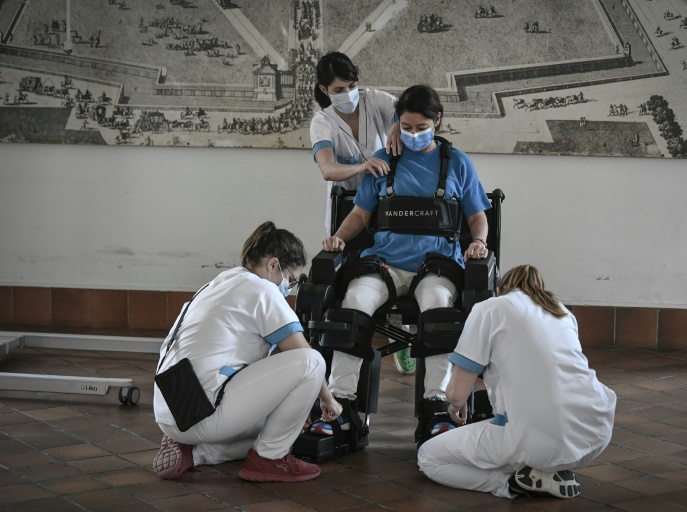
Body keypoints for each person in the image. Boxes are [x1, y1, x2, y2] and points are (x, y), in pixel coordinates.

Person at [311, 84, 492, 444]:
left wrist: (479, 242)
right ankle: (341, 407)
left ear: (436, 121)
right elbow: (361, 214)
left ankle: (437, 409)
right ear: (397, 123)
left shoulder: (457, 162)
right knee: (353, 306)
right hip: (386, 263)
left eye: (420, 127)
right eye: (406, 127)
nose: (413, 134)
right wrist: (339, 238)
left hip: (436, 266)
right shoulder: (384, 159)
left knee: (438, 311)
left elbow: (477, 216)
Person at [152, 221, 343, 482]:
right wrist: (327, 399)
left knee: (288, 424)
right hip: (205, 413)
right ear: (273, 265)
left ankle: (197, 453)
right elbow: (302, 352)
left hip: (170, 412)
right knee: (311, 363)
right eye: (291, 279)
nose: (289, 287)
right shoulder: (262, 288)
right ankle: (269, 458)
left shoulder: (217, 283)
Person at [418, 265, 616, 499]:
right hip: (595, 432)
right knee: (520, 434)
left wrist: (455, 406)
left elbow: (457, 395)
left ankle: (512, 484)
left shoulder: (490, 308)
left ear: (501, 289)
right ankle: (545, 471)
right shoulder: (562, 312)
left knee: (429, 457)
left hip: (535, 437)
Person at [310, 51, 416, 375]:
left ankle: (406, 339)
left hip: (389, 202)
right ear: (325, 90)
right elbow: (328, 169)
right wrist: (361, 167)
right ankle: (344, 349)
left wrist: (399, 126)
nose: (348, 94)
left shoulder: (376, 100)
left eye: (352, 85)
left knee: (398, 265)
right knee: (353, 276)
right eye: (339, 89)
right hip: (349, 205)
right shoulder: (322, 122)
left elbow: (407, 111)